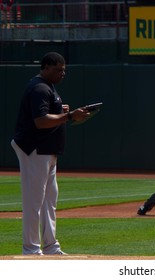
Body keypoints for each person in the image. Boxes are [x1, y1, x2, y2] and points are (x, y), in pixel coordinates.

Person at [11, 52, 90, 255]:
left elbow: (46, 113)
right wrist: (70, 115)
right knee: (34, 202)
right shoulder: (39, 87)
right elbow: (40, 121)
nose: (62, 73)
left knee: (49, 202)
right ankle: (30, 249)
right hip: (35, 149)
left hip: (47, 150)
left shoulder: (48, 87)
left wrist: (60, 110)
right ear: (45, 68)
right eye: (57, 69)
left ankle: (51, 247)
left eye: (64, 69)